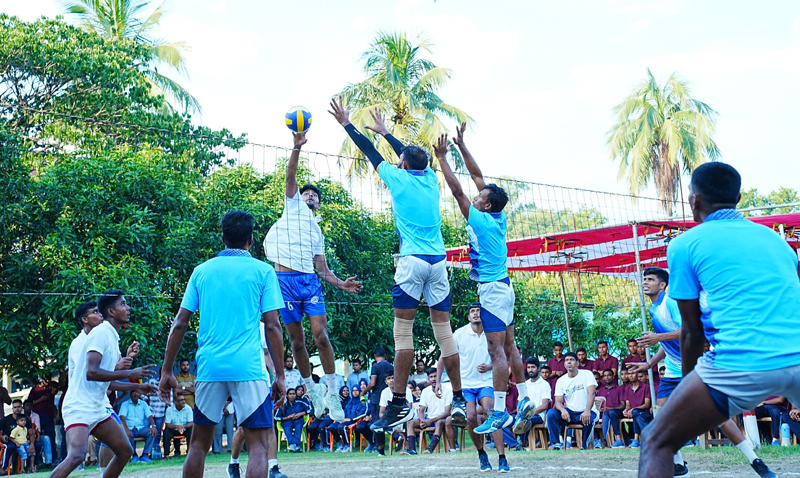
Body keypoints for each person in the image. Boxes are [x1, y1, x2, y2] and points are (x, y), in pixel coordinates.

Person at [638, 162, 797, 478]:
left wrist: (687, 385)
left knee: (654, 441)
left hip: (741, 362)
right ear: (737, 198)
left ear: (693, 200)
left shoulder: (684, 244)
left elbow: (692, 332)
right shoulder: (777, 241)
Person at [330, 99, 466, 432]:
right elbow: (410, 156)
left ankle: (399, 403)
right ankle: (461, 398)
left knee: (403, 334)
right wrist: (387, 133)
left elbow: (368, 152)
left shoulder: (397, 177)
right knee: (443, 332)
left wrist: (347, 123)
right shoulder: (430, 178)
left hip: (413, 262)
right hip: (438, 262)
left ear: (402, 164)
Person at [159, 211, 288, 478]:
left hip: (210, 367)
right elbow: (273, 326)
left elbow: (180, 324)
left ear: (222, 238)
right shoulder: (264, 271)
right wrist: (280, 375)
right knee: (258, 447)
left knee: (198, 445)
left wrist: (166, 371)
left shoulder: (202, 271)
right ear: (251, 239)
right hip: (248, 368)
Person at [632, 265, 777, 477]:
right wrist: (649, 364)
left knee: (718, 416)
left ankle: (756, 462)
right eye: (644, 279)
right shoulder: (654, 308)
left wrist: (658, 337)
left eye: (650, 279)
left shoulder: (670, 303)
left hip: (692, 368)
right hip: (672, 372)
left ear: (662, 285)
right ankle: (679, 465)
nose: (645, 282)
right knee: (661, 418)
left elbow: (690, 330)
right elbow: (667, 343)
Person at [432, 127, 530, 439]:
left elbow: (458, 191)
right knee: (509, 345)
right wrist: (462, 146)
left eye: (480, 197)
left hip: (492, 289)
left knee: (495, 349)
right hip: (504, 287)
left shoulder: (481, 220)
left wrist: (442, 159)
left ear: (486, 205)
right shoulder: (497, 216)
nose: (476, 196)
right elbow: (477, 176)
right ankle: (525, 397)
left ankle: (499, 410)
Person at [263, 129, 363, 424]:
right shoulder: (291, 207)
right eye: (306, 193)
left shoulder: (317, 232)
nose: (309, 195)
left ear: (318, 205)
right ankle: (312, 391)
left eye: (314, 196)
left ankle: (332, 391)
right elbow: (291, 175)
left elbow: (323, 271)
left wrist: (341, 283)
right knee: (297, 343)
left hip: (309, 282)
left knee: (321, 336)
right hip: (284, 283)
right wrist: (296, 147)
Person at [49, 294, 156, 478]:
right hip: (79, 405)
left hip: (98, 406)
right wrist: (130, 374)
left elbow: (107, 380)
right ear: (112, 311)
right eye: (123, 304)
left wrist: (135, 387)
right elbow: (91, 373)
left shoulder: (111, 336)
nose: (128, 308)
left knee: (125, 450)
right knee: (77, 456)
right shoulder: (100, 333)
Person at [436, 302, 507, 471]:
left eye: (478, 311)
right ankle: (482, 453)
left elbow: (503, 359)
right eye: (473, 311)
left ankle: (502, 458)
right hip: (465, 384)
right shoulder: (459, 334)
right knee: (470, 416)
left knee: (491, 413)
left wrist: (489, 367)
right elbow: (444, 357)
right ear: (469, 316)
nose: (476, 313)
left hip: (486, 381)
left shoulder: (492, 332)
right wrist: (438, 381)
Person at [228, 323, 287, 478]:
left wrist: (275, 373)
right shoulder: (235, 323)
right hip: (241, 381)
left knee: (269, 425)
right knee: (243, 428)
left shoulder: (262, 326)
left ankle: (273, 468)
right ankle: (233, 464)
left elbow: (266, 353)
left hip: (262, 382)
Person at [546, 352, 597, 449]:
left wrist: (587, 411)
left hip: (587, 410)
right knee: (551, 414)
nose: (569, 362)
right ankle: (556, 443)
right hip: (570, 413)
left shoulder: (587, 374)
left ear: (577, 363)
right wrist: (563, 410)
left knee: (588, 419)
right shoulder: (561, 381)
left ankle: (584, 446)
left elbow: (592, 393)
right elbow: (558, 402)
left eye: (572, 360)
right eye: (567, 360)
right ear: (564, 364)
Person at [360, 347, 393, 456]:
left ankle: (381, 451)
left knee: (378, 425)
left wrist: (364, 391)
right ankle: (397, 438)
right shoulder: (391, 366)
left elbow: (372, 383)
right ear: (385, 355)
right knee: (388, 420)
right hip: (389, 398)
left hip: (377, 399)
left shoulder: (375, 367)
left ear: (375, 356)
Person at [27, 376, 58, 466]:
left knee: (51, 437)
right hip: (37, 417)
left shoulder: (51, 386)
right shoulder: (35, 389)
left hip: (49, 416)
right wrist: (41, 400)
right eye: (45, 379)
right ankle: (39, 459)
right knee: (38, 437)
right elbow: (29, 403)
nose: (47, 380)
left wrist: (53, 391)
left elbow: (59, 386)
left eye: (49, 378)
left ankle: (53, 458)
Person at [118, 390, 156, 463]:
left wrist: (153, 426)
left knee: (152, 433)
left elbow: (149, 416)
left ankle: (145, 455)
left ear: (140, 394)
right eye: (134, 392)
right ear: (130, 394)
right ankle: (134, 455)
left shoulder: (143, 404)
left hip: (140, 428)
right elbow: (122, 418)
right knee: (127, 434)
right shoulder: (125, 404)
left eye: (137, 392)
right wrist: (126, 429)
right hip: (129, 428)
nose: (136, 394)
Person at [622, 370, 652, 448]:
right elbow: (628, 405)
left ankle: (636, 439)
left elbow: (647, 405)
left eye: (633, 373)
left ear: (637, 375)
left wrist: (633, 409)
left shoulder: (646, 387)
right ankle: (636, 440)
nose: (630, 375)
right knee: (633, 412)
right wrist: (626, 410)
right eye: (629, 374)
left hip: (644, 412)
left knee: (635, 412)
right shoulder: (627, 388)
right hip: (633, 412)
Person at [0, 399, 33, 470]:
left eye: (18, 407)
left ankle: (32, 467)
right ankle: (3, 468)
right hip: (8, 441)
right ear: (12, 408)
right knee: (9, 447)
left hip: (23, 441)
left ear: (22, 407)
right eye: (15, 407)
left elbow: (31, 433)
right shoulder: (6, 419)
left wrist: (32, 443)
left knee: (38, 444)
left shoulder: (26, 419)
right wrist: (1, 437)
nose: (17, 409)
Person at [597, 369, 625, 448]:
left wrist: (609, 408)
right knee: (592, 416)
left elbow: (623, 405)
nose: (607, 377)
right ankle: (597, 440)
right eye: (605, 376)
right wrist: (600, 409)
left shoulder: (619, 389)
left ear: (613, 376)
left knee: (610, 413)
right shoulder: (601, 391)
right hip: (603, 413)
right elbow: (598, 406)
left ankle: (613, 440)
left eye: (609, 375)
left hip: (617, 412)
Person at [276, 388, 310, 453]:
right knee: (287, 428)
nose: (292, 396)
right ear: (287, 396)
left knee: (299, 426)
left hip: (298, 420)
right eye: (290, 394)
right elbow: (276, 417)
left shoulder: (300, 403)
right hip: (287, 421)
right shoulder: (283, 405)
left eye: (294, 394)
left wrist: (300, 414)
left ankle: (293, 446)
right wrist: (288, 417)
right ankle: (295, 446)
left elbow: (309, 409)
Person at [23, 399, 53, 468]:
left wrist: (37, 437)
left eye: (30, 406)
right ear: (23, 407)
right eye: (27, 406)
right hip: (23, 436)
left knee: (46, 438)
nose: (29, 407)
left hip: (34, 435)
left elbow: (38, 430)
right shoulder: (20, 416)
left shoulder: (35, 415)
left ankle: (48, 462)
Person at [144, 373, 167, 459]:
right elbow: (142, 393)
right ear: (161, 373)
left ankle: (155, 452)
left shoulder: (168, 385)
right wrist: (147, 400)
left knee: (157, 433)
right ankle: (146, 453)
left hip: (160, 413)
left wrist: (166, 414)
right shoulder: (152, 382)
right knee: (147, 431)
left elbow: (170, 401)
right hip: (149, 412)